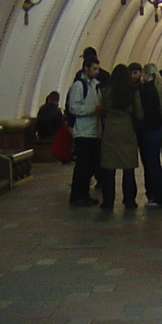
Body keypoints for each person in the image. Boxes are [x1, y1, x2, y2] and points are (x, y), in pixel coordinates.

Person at [98, 63, 142, 210]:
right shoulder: (132, 92)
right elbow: (139, 113)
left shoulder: (106, 92)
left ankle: (108, 201)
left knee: (109, 169)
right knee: (128, 168)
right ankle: (129, 200)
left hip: (110, 130)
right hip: (127, 131)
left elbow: (103, 109)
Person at [66, 55, 104, 207]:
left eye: (98, 69)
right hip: (83, 132)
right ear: (86, 68)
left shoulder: (96, 85)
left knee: (90, 166)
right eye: (94, 69)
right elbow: (73, 107)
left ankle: (85, 194)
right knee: (82, 165)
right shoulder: (79, 86)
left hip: (95, 131)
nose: (96, 72)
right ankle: (77, 195)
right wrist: (93, 109)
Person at [133, 62, 162, 207]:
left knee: (151, 165)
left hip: (147, 132)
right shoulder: (159, 90)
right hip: (156, 130)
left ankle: (156, 196)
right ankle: (159, 196)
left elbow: (142, 114)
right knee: (155, 164)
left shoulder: (146, 91)